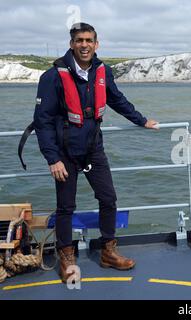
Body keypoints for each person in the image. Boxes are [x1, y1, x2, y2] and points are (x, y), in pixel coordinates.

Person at [32, 22, 159, 283]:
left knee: (108, 198)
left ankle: (108, 251)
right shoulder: (53, 76)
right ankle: (67, 257)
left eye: (89, 40)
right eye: (79, 40)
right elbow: (42, 121)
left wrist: (141, 120)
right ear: (72, 44)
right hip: (65, 153)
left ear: (96, 44)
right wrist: (52, 158)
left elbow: (117, 99)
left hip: (93, 149)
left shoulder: (103, 71)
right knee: (66, 207)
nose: (84, 45)